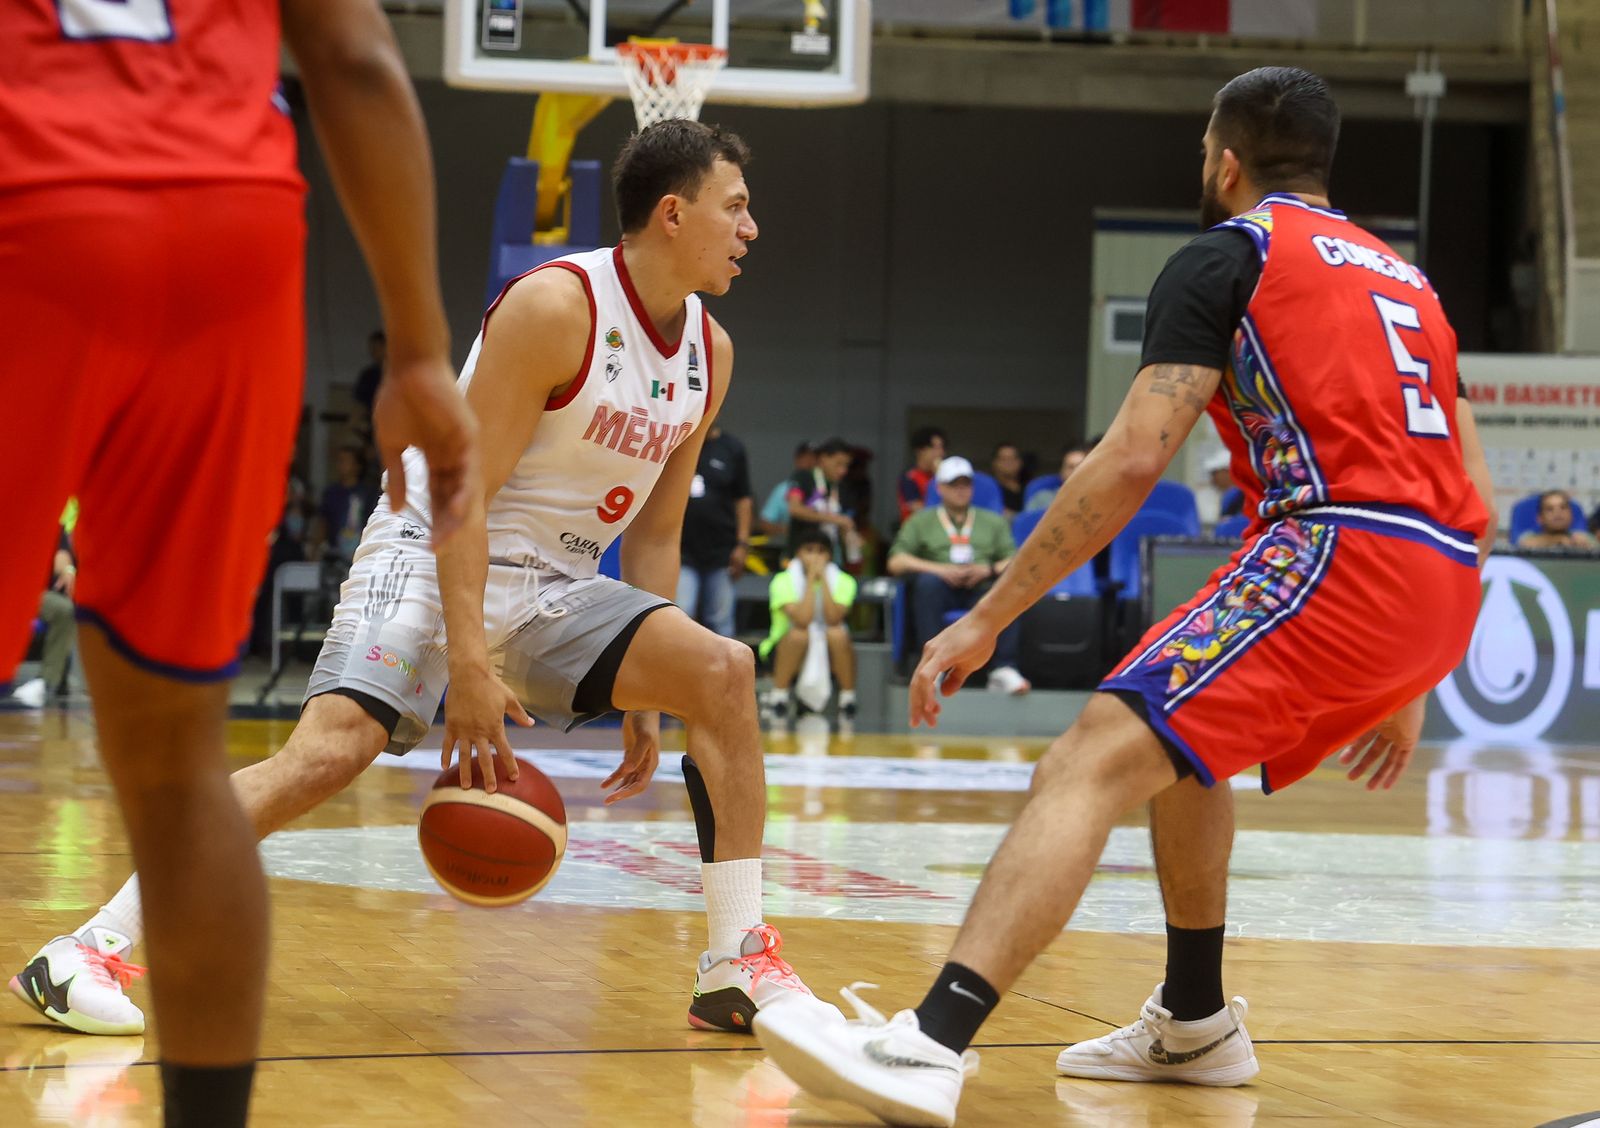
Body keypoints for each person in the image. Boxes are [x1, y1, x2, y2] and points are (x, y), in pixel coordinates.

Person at [754, 66, 1496, 1128]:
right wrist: (1414, 664)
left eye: (1206, 151)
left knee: (1087, 757)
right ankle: (1194, 1023)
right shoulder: (1410, 285)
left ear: (1225, 160)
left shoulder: (1229, 254)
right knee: (1176, 737)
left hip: (1338, 552)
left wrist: (985, 613)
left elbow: (1133, 459)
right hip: (1438, 575)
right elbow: (1475, 485)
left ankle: (928, 1042)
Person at [12, 119, 828, 1047]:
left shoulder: (709, 356)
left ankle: (734, 964)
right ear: (674, 214)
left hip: (557, 579)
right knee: (329, 753)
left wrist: (651, 692)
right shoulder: (558, 307)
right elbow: (458, 495)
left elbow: (657, 526)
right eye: (738, 207)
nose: (751, 228)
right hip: (432, 549)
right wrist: (469, 667)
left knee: (721, 670)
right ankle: (89, 949)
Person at [1, 3, 480, 1123]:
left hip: (30, 194)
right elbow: (355, 59)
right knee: (176, 775)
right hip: (232, 232)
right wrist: (415, 349)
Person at [888, 457, 1030, 696]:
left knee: (1006, 588)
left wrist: (989, 569)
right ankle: (933, 666)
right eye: (953, 484)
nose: (961, 490)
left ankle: (1003, 668)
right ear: (940, 488)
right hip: (940, 585)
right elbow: (896, 561)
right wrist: (938, 569)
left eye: (965, 484)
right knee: (927, 585)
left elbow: (1014, 561)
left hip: (981, 583)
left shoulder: (993, 522)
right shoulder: (921, 521)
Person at [759, 528, 859, 731]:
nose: (815, 556)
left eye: (821, 551)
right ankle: (779, 696)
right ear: (798, 553)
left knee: (838, 633)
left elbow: (833, 618)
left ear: (830, 556)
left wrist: (823, 583)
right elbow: (802, 620)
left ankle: (847, 699)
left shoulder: (845, 581)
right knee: (799, 634)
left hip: (828, 648)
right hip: (784, 648)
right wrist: (811, 579)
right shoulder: (782, 580)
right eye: (809, 550)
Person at [678, 425, 753, 638]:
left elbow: (744, 500)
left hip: (721, 550)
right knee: (682, 611)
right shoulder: (680, 441)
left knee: (720, 620)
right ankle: (681, 670)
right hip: (681, 549)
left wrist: (742, 544)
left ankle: (723, 670)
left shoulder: (732, 448)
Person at [787, 437, 855, 563]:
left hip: (831, 559)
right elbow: (795, 509)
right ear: (823, 458)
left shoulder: (842, 488)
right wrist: (835, 519)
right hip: (801, 558)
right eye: (838, 464)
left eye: (846, 465)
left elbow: (845, 520)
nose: (843, 470)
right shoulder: (804, 477)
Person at [319, 445, 381, 566]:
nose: (341, 465)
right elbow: (323, 521)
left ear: (357, 466)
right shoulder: (331, 492)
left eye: (346, 460)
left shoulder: (368, 493)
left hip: (362, 553)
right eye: (339, 460)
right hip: (335, 554)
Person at [758, 441, 815, 540]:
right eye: (806, 457)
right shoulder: (784, 489)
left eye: (815, 458)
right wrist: (790, 530)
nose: (811, 462)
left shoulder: (825, 488)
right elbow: (766, 523)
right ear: (797, 459)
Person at [1025, 440, 1094, 512]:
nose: (1076, 471)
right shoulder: (1042, 499)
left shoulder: (1099, 500)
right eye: (1071, 467)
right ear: (1062, 472)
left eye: (1081, 466)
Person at [1516, 489, 1597, 550]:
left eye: (1563, 507)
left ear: (1571, 515)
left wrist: (1587, 546)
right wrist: (1558, 540)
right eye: (1550, 509)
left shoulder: (1584, 538)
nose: (1557, 513)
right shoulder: (1529, 537)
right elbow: (1524, 544)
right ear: (1540, 518)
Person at [898, 427, 947, 523]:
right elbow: (919, 510)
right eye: (935, 448)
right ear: (920, 450)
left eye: (942, 448)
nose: (940, 453)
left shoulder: (943, 475)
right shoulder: (910, 477)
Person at [990, 442, 1026, 518]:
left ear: (1020, 462)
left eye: (1013, 458)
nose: (1009, 463)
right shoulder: (989, 490)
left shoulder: (1028, 489)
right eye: (1003, 459)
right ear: (994, 463)